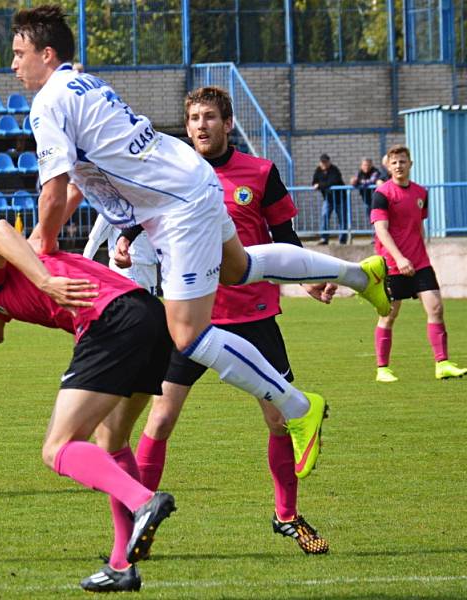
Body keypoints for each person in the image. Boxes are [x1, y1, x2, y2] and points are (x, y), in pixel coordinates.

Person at [10, 5, 389, 489]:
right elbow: (79, 186)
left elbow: (55, 186)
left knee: (186, 334)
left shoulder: (48, 103)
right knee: (241, 266)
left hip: (176, 207)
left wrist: (40, 246)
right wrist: (48, 238)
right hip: (190, 180)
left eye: (20, 54)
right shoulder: (85, 84)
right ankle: (362, 275)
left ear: (46, 53)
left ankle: (298, 407)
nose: (15, 65)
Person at [116, 87, 333, 559]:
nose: (200, 125)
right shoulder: (173, 170)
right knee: (161, 417)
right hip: (191, 317)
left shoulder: (260, 173)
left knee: (279, 420)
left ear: (228, 123)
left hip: (254, 316)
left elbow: (285, 237)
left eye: (209, 117)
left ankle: (287, 516)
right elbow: (142, 213)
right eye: (193, 117)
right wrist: (127, 238)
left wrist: (313, 279)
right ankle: (140, 520)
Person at [0, 218, 177, 592]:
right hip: (149, 316)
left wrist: (45, 281)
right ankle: (123, 564)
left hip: (110, 322)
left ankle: (142, 500)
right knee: (113, 442)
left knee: (57, 449)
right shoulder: (13, 300)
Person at [370, 145, 467, 383]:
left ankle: (442, 363)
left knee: (436, 309)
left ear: (410, 164)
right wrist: (400, 258)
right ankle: (383, 369)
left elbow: (418, 226)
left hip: (419, 262)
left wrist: (419, 252)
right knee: (389, 316)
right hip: (392, 265)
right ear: (388, 166)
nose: (398, 166)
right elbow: (381, 231)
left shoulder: (421, 193)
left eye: (403, 161)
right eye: (394, 162)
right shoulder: (382, 194)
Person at [82, 185, 158, 295]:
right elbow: (95, 239)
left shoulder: (150, 203)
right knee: (132, 309)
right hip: (125, 269)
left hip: (149, 267)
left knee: (151, 309)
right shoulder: (112, 206)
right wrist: (84, 267)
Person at [312, 153, 346, 244]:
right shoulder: (318, 170)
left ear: (329, 162)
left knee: (342, 218)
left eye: (325, 162)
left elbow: (333, 182)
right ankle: (324, 238)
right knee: (324, 216)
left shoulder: (334, 170)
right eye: (322, 162)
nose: (324, 164)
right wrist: (319, 185)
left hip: (340, 198)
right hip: (328, 199)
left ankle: (342, 239)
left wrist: (320, 185)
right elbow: (314, 182)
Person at [350, 157, 380, 222]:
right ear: (361, 166)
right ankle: (374, 231)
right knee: (370, 217)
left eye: (368, 165)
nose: (366, 167)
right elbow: (353, 181)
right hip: (366, 198)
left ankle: (376, 231)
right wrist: (354, 181)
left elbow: (371, 181)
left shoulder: (375, 171)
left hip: (376, 198)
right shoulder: (359, 172)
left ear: (371, 165)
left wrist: (359, 182)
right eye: (364, 165)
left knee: (376, 216)